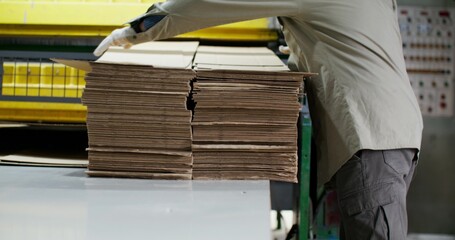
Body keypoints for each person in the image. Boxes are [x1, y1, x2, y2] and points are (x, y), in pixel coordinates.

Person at [94, 0, 423, 239]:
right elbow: (345, 42)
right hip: (390, 132)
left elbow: (208, 2)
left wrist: (136, 30)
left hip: (372, 139)